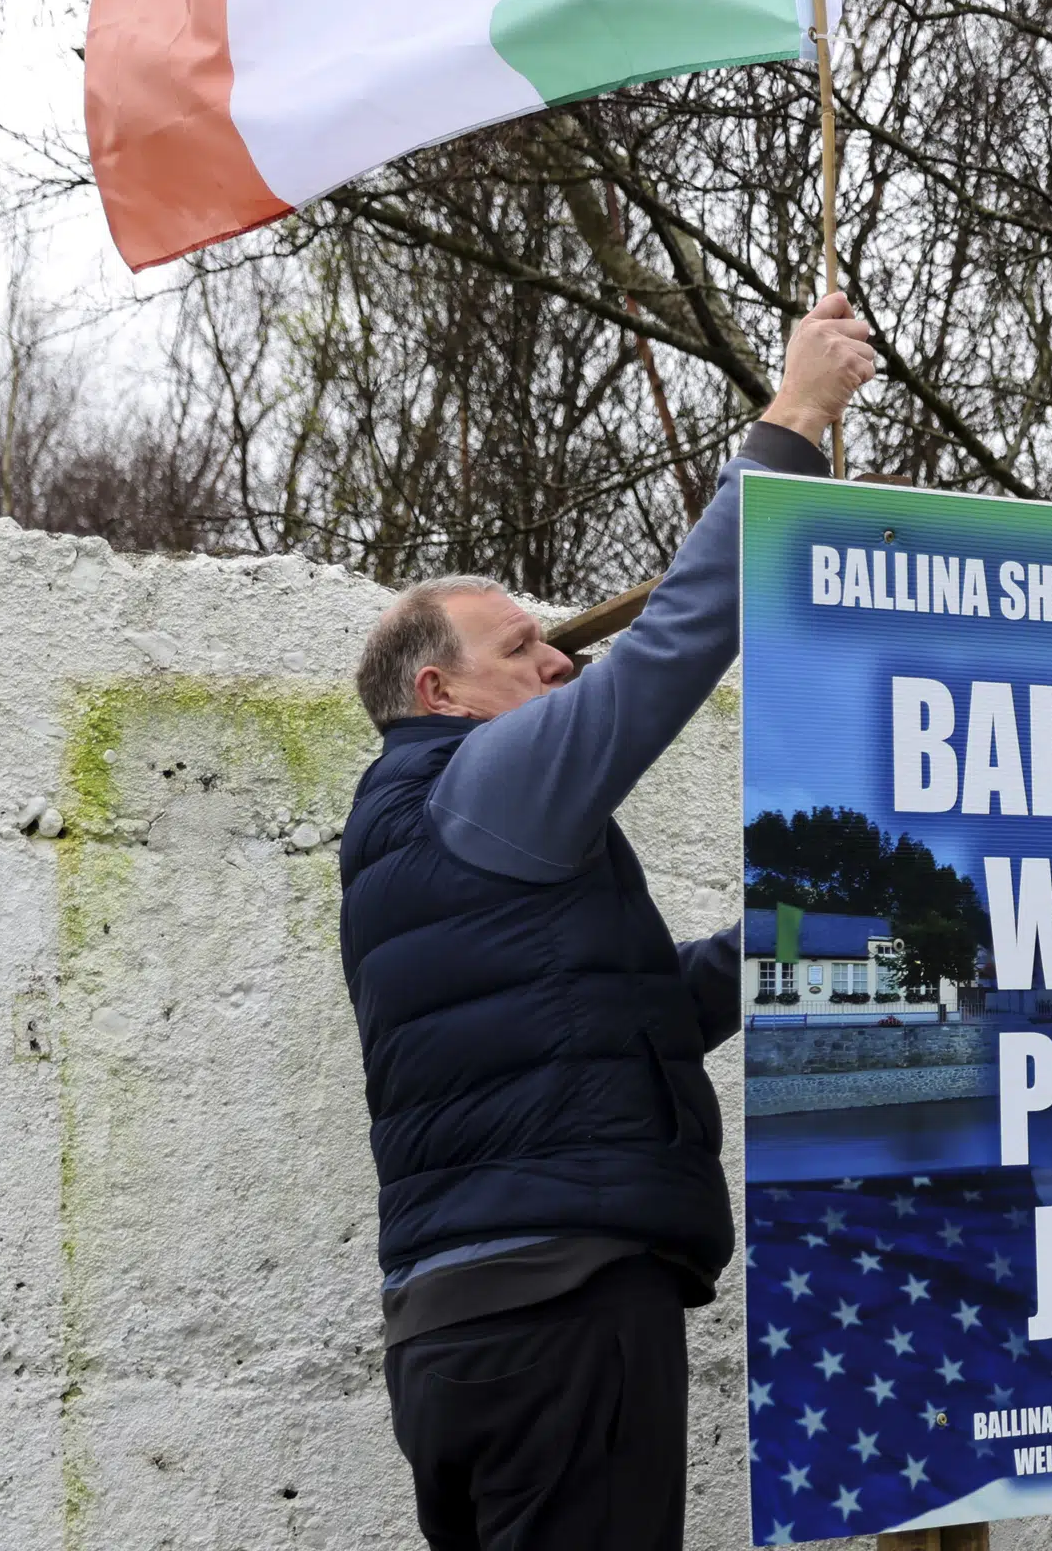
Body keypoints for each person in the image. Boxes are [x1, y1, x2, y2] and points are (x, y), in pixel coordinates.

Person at [336, 294, 874, 1551]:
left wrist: (815, 941)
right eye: (523, 647)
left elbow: (626, 1017)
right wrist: (797, 414)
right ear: (439, 689)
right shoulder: (485, 780)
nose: (560, 663)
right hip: (562, 1310)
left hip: (453, 1335)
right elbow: (671, 646)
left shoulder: (410, 839)